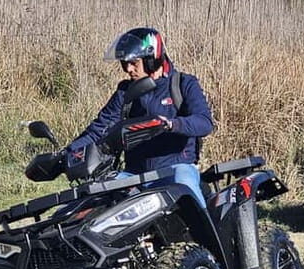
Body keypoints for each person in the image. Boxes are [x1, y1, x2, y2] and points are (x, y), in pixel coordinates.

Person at [68, 27, 213, 208]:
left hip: (176, 168)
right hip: (133, 175)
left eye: (134, 63)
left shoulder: (183, 84)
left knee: (185, 184)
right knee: (90, 199)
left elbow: (204, 123)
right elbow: (100, 128)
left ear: (152, 59)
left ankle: (204, 231)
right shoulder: (125, 91)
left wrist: (171, 124)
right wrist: (68, 153)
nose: (128, 69)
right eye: (124, 63)